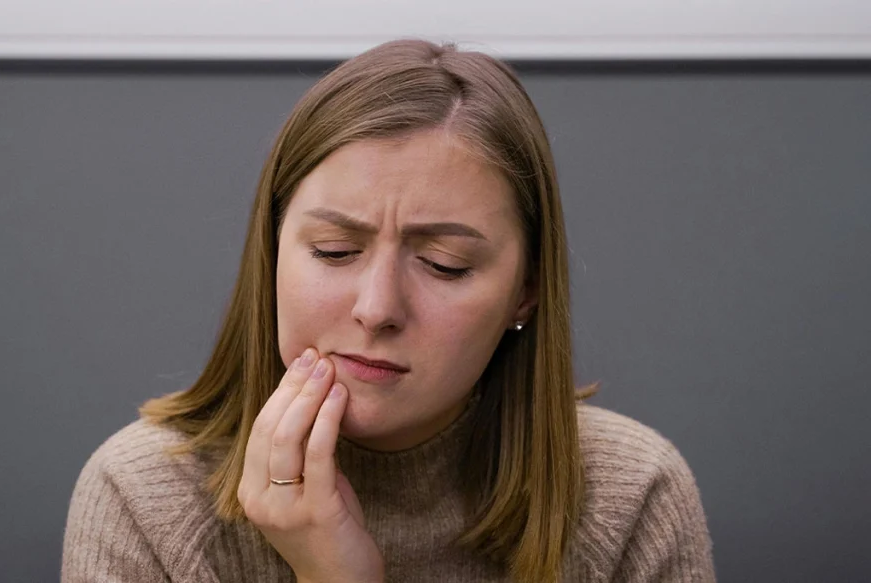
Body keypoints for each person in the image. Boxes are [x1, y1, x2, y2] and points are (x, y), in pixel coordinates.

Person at [61, 39, 715, 582]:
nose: (376, 308)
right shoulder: (143, 496)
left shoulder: (632, 495)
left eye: (445, 265)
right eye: (335, 249)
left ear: (527, 289)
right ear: (272, 254)